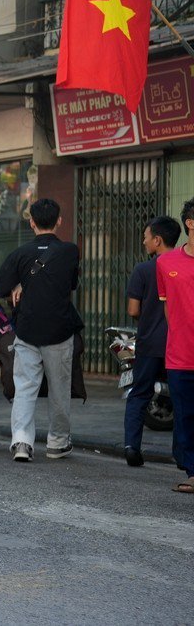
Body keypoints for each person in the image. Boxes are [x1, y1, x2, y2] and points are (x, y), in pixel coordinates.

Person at [0, 198, 82, 463]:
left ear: (31, 222)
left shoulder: (20, 253)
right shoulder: (70, 251)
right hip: (59, 330)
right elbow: (72, 284)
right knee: (59, 388)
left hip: (27, 330)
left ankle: (21, 442)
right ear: (59, 221)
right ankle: (57, 443)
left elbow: (0, 288)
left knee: (25, 388)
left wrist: (18, 286)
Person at [124, 216, 181, 466]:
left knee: (139, 395)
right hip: (178, 345)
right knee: (183, 399)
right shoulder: (186, 267)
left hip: (148, 344)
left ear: (157, 240)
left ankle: (132, 448)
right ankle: (182, 455)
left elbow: (133, 310)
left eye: (146, 237)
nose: (144, 241)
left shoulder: (143, 270)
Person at [158, 198, 194, 493]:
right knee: (185, 415)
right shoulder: (165, 263)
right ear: (190, 223)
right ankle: (192, 471)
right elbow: (168, 308)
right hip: (181, 354)